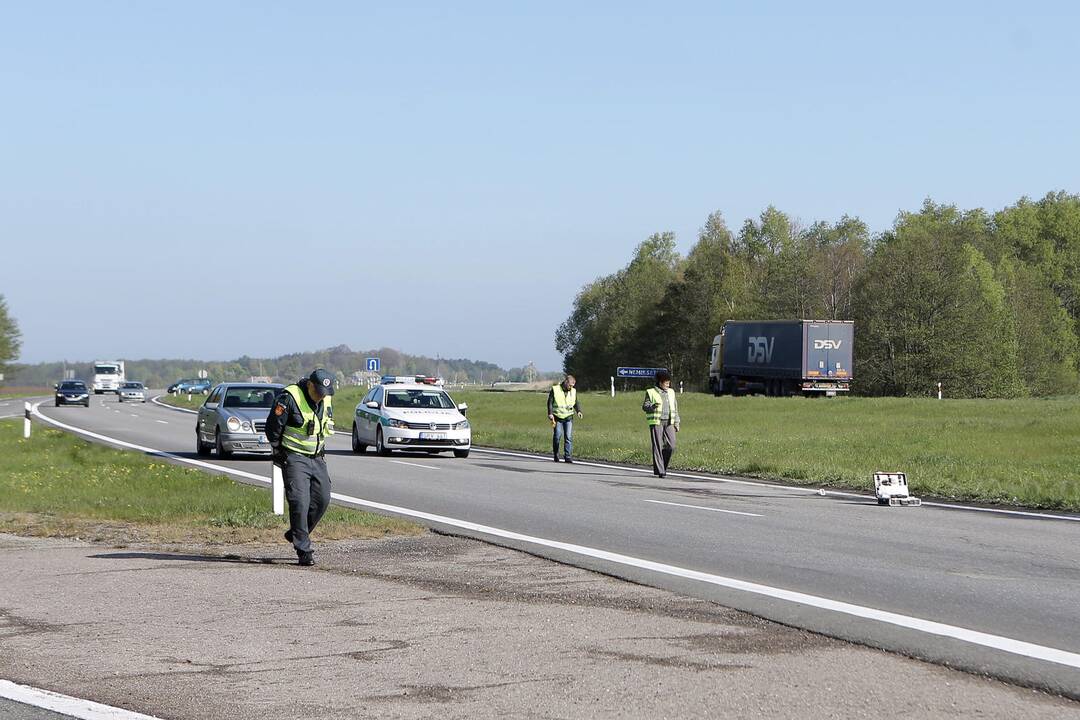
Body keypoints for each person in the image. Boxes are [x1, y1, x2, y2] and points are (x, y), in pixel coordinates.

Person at [265, 369, 336, 566]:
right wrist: (279, 452)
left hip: (317, 457)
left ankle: (296, 533)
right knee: (299, 502)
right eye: (319, 391)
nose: (322, 396)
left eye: (326, 392)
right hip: (294, 457)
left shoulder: (326, 398)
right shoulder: (289, 398)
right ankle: (304, 551)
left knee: (322, 499)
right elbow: (272, 429)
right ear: (310, 385)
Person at [643, 369, 679, 478]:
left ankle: (662, 465)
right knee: (657, 446)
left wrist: (677, 422)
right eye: (666, 383)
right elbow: (645, 406)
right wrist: (652, 407)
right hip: (657, 422)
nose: (668, 384)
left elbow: (675, 408)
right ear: (660, 382)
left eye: (669, 382)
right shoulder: (651, 392)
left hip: (669, 422)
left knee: (671, 445)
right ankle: (660, 471)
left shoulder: (671, 392)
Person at [547, 374, 582, 463]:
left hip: (568, 417)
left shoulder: (573, 391)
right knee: (557, 436)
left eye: (572, 386)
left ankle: (568, 456)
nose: (571, 387)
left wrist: (578, 411)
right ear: (566, 382)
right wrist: (550, 413)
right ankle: (556, 454)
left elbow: (575, 402)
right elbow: (550, 402)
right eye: (570, 385)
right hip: (557, 417)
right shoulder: (555, 389)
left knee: (568, 437)